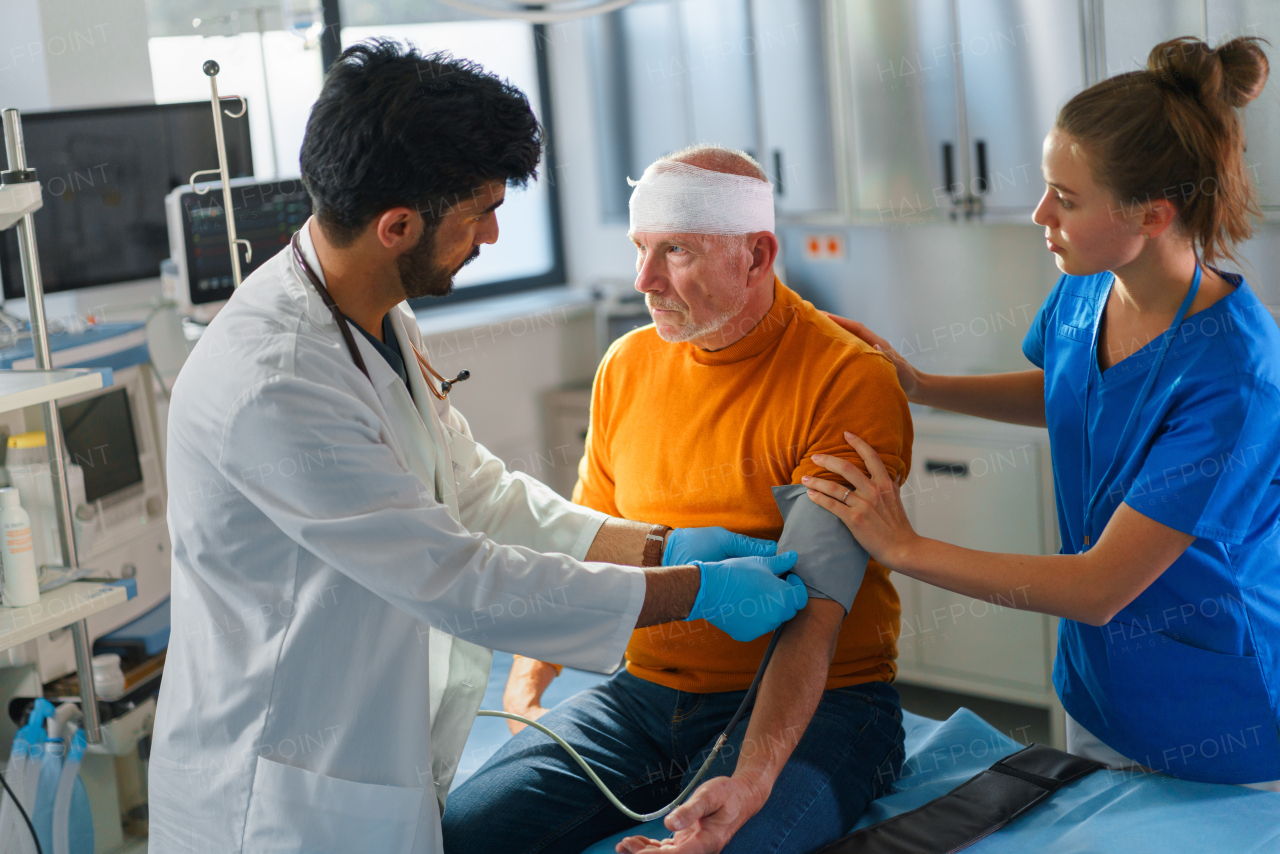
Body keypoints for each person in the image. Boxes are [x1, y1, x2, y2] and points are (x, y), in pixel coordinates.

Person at [149, 42, 807, 854]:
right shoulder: (277, 383)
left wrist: (656, 546)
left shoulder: (375, 312)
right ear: (397, 226)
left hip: (366, 756)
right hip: (279, 793)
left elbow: (477, 490)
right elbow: (459, 579)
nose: (493, 235)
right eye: (480, 213)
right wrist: (692, 591)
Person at [807, 36, 1280, 789]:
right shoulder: (1091, 287)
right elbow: (1068, 394)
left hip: (1222, 716)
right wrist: (921, 384)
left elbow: (1097, 588)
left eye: (1066, 198)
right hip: (1098, 682)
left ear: (1152, 214)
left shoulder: (1237, 379)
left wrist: (904, 547)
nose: (1039, 214)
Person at [442, 145, 913, 854]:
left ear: (756, 257)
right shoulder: (627, 365)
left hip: (827, 704)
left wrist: (749, 782)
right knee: (462, 833)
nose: (645, 280)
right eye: (639, 250)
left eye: (676, 252)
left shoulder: (846, 382)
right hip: (643, 695)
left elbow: (813, 621)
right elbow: (584, 534)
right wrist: (527, 685)